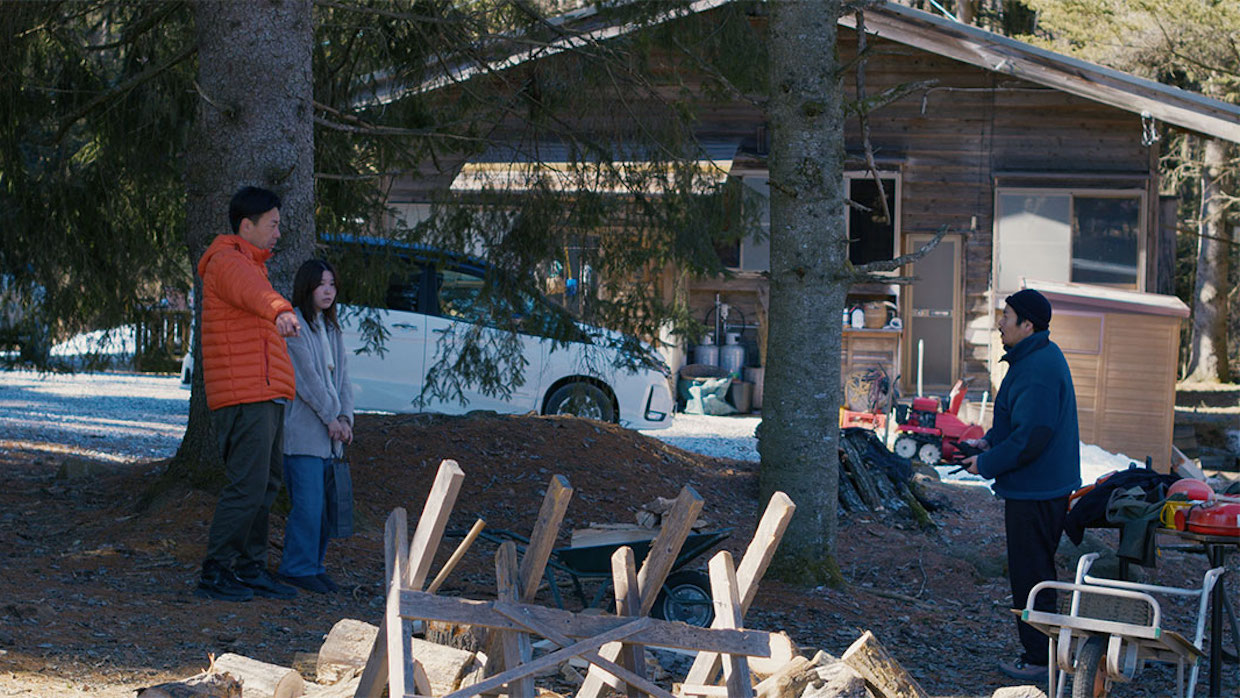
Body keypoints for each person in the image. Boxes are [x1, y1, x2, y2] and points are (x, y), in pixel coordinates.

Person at [961, 288, 1081, 682]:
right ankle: (1043, 654)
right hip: (1035, 487)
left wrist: (987, 463)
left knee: (1033, 575)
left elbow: (1033, 435)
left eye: (1007, 316)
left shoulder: (1040, 367)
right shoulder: (1030, 358)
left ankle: (1039, 661)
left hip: (1040, 490)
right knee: (1032, 572)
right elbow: (1015, 421)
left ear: (1027, 324)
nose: (1000, 323)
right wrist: (989, 442)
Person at [196, 186, 301, 602]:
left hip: (263, 393)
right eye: (272, 224)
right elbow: (257, 297)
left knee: (266, 484)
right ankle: (215, 571)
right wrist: (281, 309)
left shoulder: (252, 265)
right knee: (248, 485)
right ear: (247, 225)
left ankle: (250, 567)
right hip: (245, 397)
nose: (279, 232)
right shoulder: (228, 260)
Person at [278, 259, 354, 593]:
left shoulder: (332, 328)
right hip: (305, 434)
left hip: (331, 436)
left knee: (325, 508)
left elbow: (344, 380)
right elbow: (305, 381)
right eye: (321, 284)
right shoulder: (295, 326)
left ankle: (314, 565)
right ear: (307, 287)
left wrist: (347, 419)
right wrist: (332, 418)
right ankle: (296, 566)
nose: (328, 290)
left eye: (332, 284)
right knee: (307, 506)